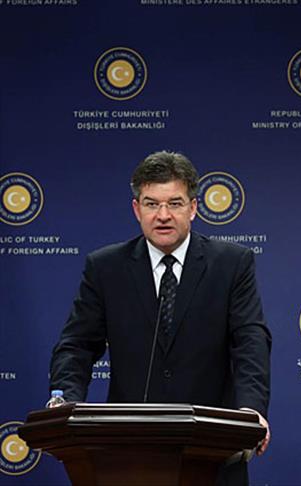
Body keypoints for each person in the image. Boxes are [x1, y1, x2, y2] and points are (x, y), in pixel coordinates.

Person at [49, 150, 271, 486]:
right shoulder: (106, 267)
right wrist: (64, 399)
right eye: (151, 204)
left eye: (175, 203)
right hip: (129, 453)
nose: (163, 215)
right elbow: (77, 345)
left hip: (212, 452)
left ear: (193, 208)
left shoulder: (232, 264)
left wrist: (251, 411)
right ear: (136, 209)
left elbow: (250, 340)